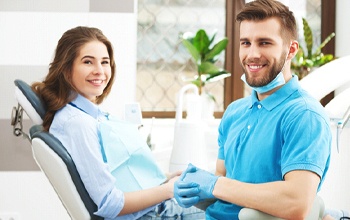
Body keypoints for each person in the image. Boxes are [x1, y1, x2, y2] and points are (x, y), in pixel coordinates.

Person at [173, 0, 332, 219]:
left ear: (291, 49)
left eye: (265, 43)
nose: (252, 54)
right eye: (246, 43)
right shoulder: (234, 112)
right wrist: (196, 190)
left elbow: (297, 203)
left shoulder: (304, 116)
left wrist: (215, 184)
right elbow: (222, 183)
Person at [32, 26, 204, 220]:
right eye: (88, 62)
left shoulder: (88, 115)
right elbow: (110, 203)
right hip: (153, 215)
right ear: (66, 68)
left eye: (105, 62)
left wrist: (165, 179)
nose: (99, 71)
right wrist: (168, 190)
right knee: (230, 210)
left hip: (154, 210)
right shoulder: (77, 123)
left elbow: (116, 175)